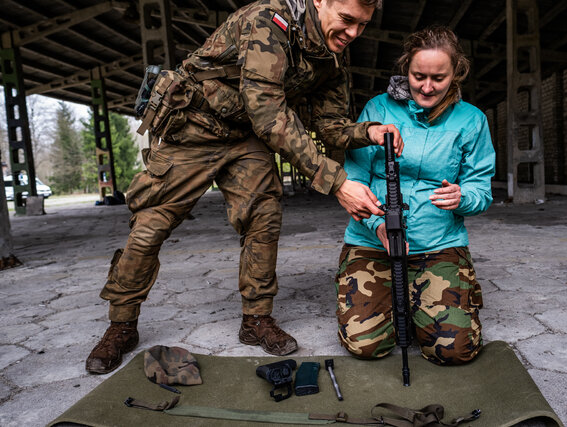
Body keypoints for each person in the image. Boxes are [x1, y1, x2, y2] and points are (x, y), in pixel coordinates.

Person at [86, 0, 406, 374]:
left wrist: (366, 131)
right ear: (320, 1)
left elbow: (330, 123)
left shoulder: (333, 57)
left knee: (264, 218)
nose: (353, 33)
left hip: (247, 135)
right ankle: (121, 325)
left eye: (363, 26)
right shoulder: (269, 22)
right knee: (150, 226)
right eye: (347, 20)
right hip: (196, 127)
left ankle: (256, 319)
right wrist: (337, 183)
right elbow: (267, 109)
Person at [334, 26, 495, 365]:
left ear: (456, 73)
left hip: (439, 243)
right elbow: (356, 180)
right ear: (405, 68)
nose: (426, 86)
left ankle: (414, 297)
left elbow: (482, 189)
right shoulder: (377, 109)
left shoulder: (472, 120)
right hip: (373, 240)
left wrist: (463, 196)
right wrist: (378, 225)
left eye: (438, 77)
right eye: (418, 75)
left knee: (453, 351)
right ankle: (392, 299)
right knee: (366, 346)